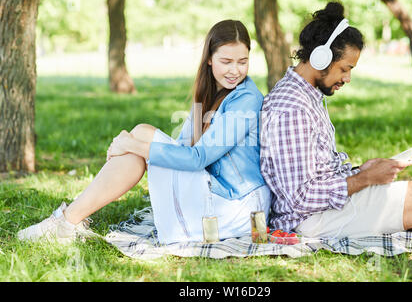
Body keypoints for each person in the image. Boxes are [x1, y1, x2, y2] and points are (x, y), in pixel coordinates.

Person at [18, 19, 271, 245]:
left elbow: (197, 158)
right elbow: (184, 146)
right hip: (215, 191)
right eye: (226, 61)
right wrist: (136, 145)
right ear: (209, 58)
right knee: (142, 132)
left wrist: (131, 146)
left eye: (243, 61)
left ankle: (66, 222)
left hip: (237, 208)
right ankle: (70, 220)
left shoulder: (246, 99)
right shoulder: (209, 93)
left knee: (138, 141)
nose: (235, 70)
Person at [260, 2, 412, 239]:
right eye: (344, 69)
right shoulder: (291, 107)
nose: (347, 78)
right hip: (313, 219)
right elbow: (301, 198)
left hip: (327, 210)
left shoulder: (306, 95)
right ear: (320, 58)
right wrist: (365, 179)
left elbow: (317, 174)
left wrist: (360, 171)